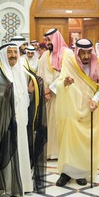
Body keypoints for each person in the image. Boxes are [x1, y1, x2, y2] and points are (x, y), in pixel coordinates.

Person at [0, 42, 47, 197]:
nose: (13, 56)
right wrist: (6, 93)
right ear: (4, 54)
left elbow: (22, 98)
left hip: (20, 122)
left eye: (15, 52)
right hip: (3, 123)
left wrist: (30, 93)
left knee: (21, 152)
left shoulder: (18, 71)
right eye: (9, 52)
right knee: (6, 154)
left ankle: (23, 185)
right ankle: (4, 188)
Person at [55, 38, 99, 187]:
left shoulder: (98, 62)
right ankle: (66, 173)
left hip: (91, 108)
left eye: (88, 53)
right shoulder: (69, 62)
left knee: (87, 143)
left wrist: (96, 100)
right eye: (82, 53)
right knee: (69, 142)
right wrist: (65, 82)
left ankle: (82, 173)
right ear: (77, 52)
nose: (86, 56)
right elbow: (60, 82)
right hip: (72, 109)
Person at [37, 28, 73, 160]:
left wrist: (51, 89)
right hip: (47, 97)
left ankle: (62, 153)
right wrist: (43, 91)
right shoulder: (45, 56)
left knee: (62, 123)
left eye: (49, 39)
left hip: (63, 95)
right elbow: (39, 75)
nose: (47, 43)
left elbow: (67, 74)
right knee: (49, 124)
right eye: (45, 40)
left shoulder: (68, 54)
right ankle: (50, 152)